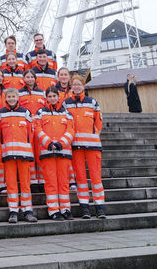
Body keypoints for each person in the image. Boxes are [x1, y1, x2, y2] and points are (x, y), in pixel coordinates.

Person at [65, 75, 105, 218]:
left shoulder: (92, 102)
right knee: (80, 178)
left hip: (93, 146)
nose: (76, 87)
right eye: (74, 84)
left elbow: (98, 123)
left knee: (96, 178)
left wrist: (95, 136)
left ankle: (100, 207)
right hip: (76, 147)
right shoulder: (66, 103)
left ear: (83, 86)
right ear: (71, 86)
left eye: (79, 84)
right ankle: (85, 208)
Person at [0, 87, 37, 223]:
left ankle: (27, 211)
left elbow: (31, 133)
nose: (11, 99)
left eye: (14, 96)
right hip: (8, 155)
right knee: (11, 184)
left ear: (18, 97)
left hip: (24, 155)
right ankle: (13, 211)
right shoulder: (0, 113)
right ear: (5, 98)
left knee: (25, 184)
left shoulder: (25, 112)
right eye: (9, 97)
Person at [35, 86, 73, 220]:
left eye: (54, 96)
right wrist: (49, 143)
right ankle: (54, 210)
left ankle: (65, 209)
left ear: (58, 97)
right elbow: (37, 129)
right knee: (51, 182)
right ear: (46, 98)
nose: (52, 98)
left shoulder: (66, 113)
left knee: (63, 182)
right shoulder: (40, 112)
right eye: (49, 96)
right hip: (47, 152)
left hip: (63, 152)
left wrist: (60, 143)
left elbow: (70, 130)